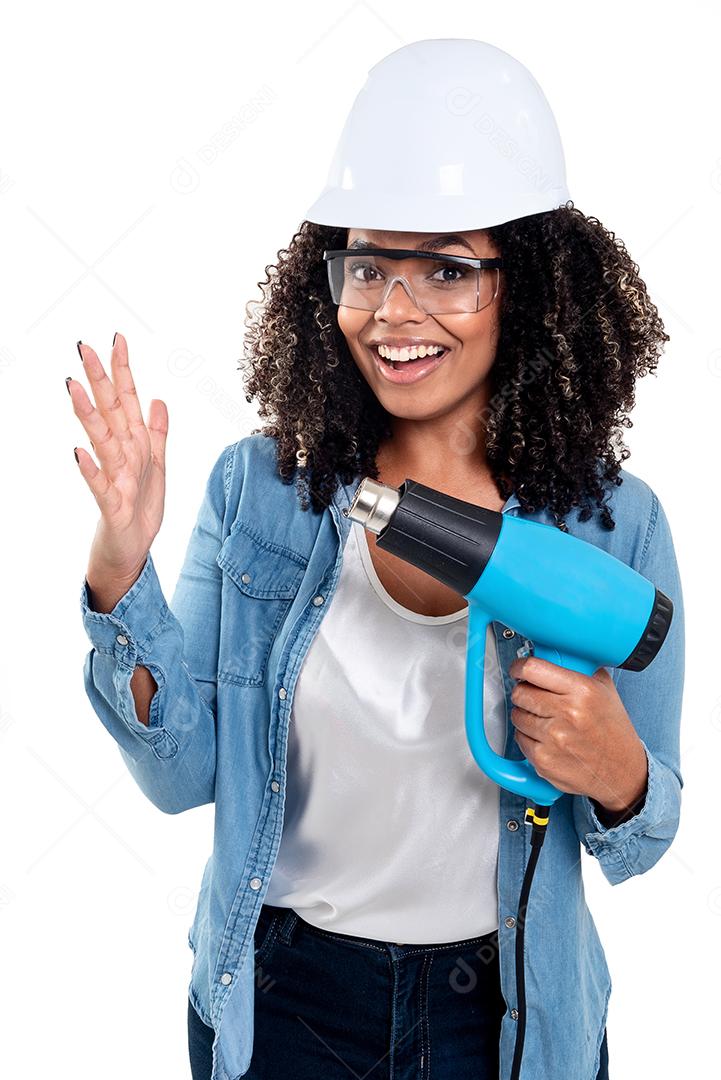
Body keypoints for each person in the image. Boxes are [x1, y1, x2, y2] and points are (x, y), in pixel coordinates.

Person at [70, 40, 684, 1080]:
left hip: (506, 1013)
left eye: (447, 269)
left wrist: (616, 770)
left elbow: (641, 837)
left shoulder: (614, 525)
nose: (395, 313)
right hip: (285, 997)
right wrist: (122, 572)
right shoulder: (258, 491)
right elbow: (180, 779)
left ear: (531, 285)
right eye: (366, 267)